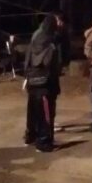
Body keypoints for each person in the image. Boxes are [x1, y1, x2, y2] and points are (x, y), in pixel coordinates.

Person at [23, 13, 64, 152]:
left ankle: (31, 136)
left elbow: (27, 59)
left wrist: (26, 77)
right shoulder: (51, 44)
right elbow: (53, 65)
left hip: (32, 82)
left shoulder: (35, 38)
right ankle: (44, 143)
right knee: (46, 114)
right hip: (45, 84)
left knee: (33, 111)